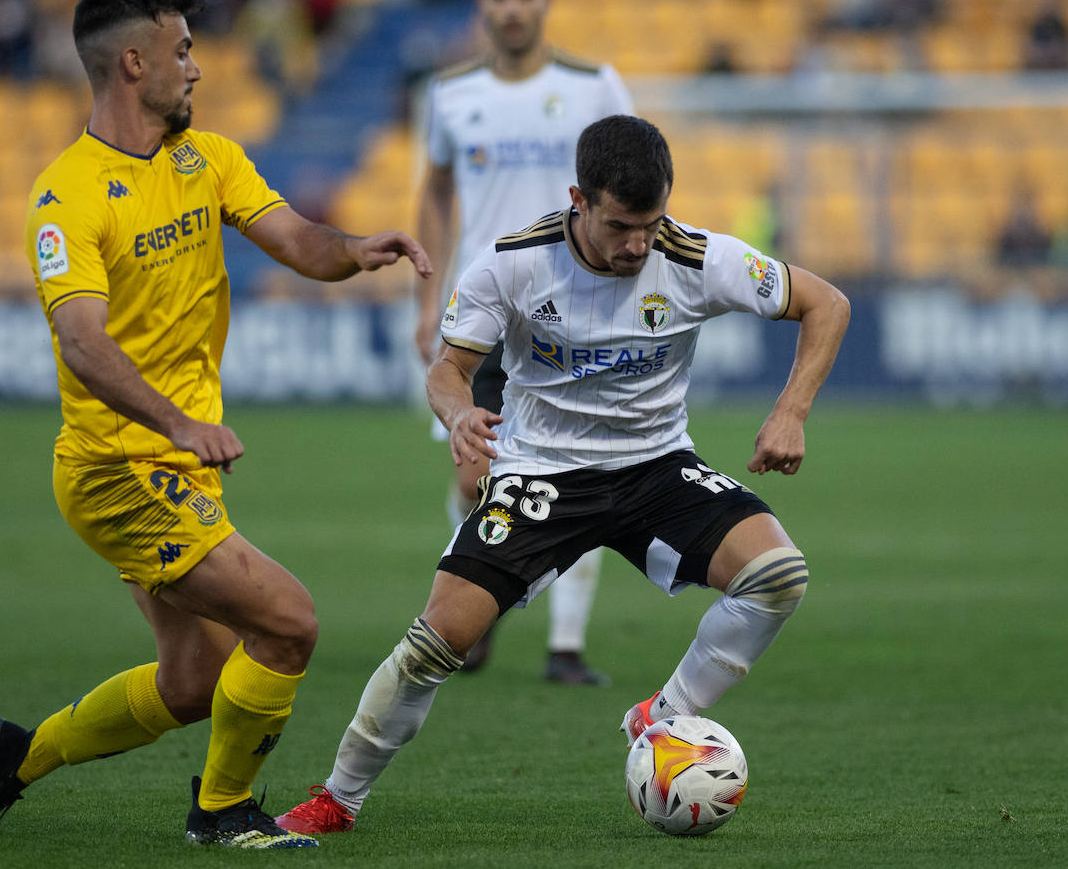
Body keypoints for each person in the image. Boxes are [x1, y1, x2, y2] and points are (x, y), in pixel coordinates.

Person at [0, 0, 431, 850]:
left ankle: (14, 757)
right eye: (183, 50)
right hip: (119, 471)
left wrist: (356, 248)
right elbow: (81, 343)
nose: (197, 67)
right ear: (131, 62)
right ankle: (223, 814)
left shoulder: (210, 158)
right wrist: (179, 423)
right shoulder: (66, 198)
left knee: (192, 683)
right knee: (288, 621)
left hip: (176, 468)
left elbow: (298, 241)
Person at [275, 114, 850, 834]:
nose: (638, 244)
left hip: (655, 466)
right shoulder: (511, 265)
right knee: (438, 640)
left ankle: (663, 717)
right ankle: (338, 798)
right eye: (619, 226)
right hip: (541, 472)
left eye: (651, 222)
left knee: (778, 577)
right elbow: (448, 371)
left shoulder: (699, 258)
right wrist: (458, 416)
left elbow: (827, 302)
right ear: (579, 199)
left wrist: (791, 411)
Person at [413, 0, 633, 685]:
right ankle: (473, 619)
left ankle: (565, 646)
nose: (513, 8)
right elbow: (436, 192)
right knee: (474, 473)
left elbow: (630, 183)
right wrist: (427, 300)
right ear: (483, 3)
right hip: (485, 308)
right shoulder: (450, 93)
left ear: (544, 0)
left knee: (587, 466)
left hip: (577, 309)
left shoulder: (593, 86)